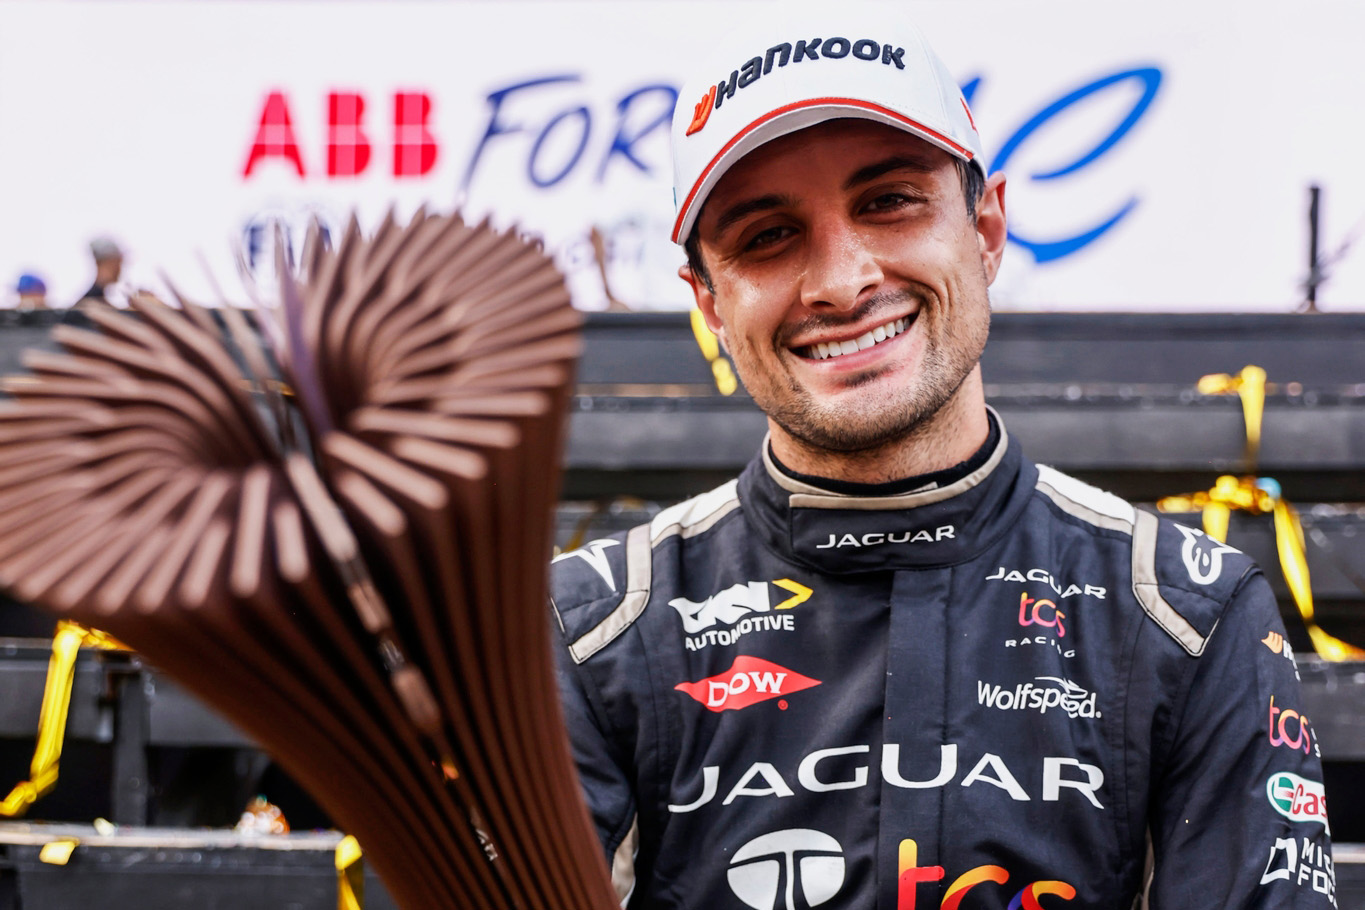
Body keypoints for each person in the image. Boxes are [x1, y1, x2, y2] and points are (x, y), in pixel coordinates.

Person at [551, 13, 1334, 909]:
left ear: (987, 228)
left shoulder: (1185, 609)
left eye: (887, 201)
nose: (841, 282)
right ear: (710, 303)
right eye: (767, 235)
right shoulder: (587, 630)